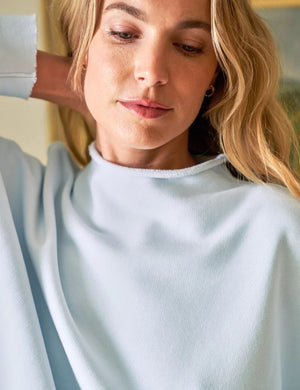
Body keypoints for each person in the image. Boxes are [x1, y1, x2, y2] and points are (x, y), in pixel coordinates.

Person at [0, 0, 299, 389]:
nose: (152, 73)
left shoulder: (275, 230)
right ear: (81, 40)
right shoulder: (19, 201)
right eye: (124, 34)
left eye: (189, 47)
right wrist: (71, 81)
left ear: (215, 73)